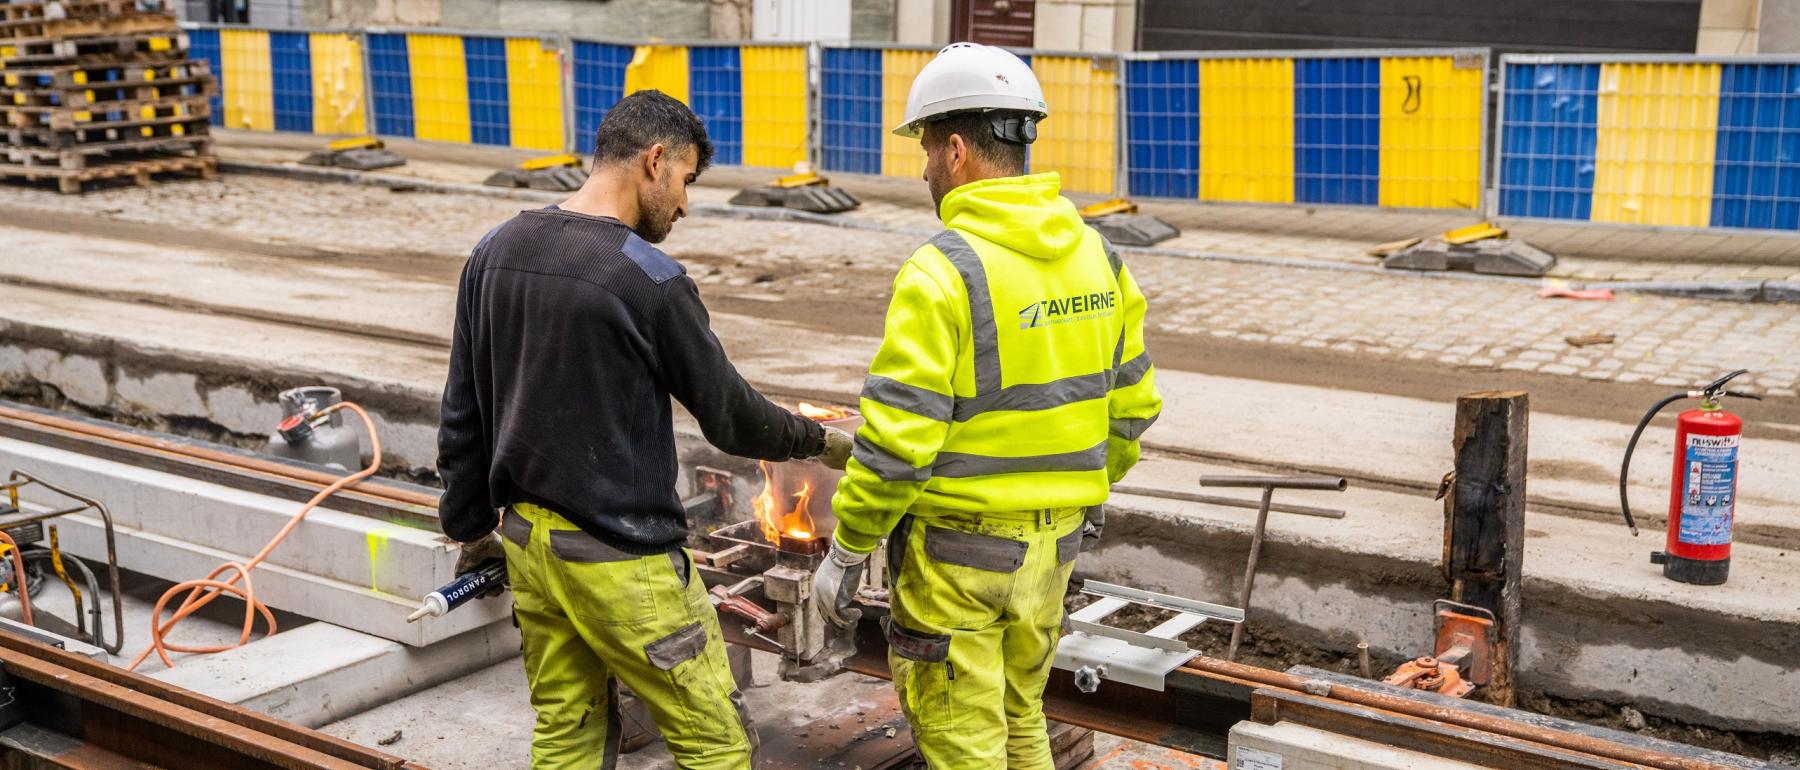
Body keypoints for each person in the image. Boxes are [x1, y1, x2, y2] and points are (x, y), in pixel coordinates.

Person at [437, 90, 852, 769]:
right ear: (655, 161)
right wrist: (822, 441)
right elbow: (731, 417)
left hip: (531, 552)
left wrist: (471, 529)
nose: (685, 204)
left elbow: (462, 415)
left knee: (567, 737)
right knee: (715, 745)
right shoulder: (649, 280)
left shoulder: (494, 251)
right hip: (624, 566)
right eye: (686, 181)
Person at [812, 44, 1162, 768]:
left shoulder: (943, 271)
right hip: (1053, 552)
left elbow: (897, 446)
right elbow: (1132, 410)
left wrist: (847, 549)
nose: (924, 170)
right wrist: (1076, 493)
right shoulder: (1098, 256)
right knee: (1021, 720)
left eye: (928, 152)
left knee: (965, 746)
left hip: (958, 563)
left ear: (959, 150)